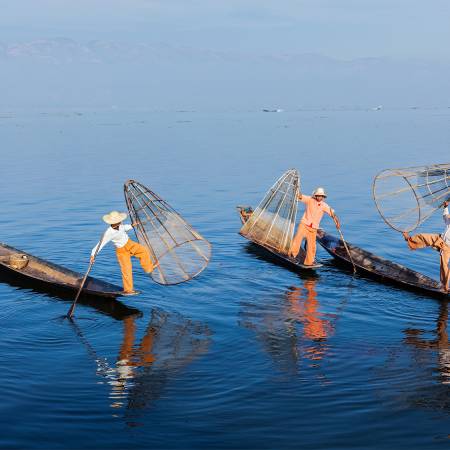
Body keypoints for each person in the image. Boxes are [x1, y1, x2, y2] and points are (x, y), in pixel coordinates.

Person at [91, 210, 156, 295]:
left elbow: (124, 228)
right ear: (113, 222)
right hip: (121, 251)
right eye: (118, 221)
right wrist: (93, 255)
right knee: (126, 269)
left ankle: (148, 268)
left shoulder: (120, 225)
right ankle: (128, 290)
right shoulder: (108, 233)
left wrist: (132, 225)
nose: (120, 222)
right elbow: (100, 244)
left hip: (129, 243)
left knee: (143, 251)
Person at [402, 200, 450, 292]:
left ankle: (446, 286)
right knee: (423, 237)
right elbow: (446, 218)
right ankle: (409, 239)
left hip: (446, 247)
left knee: (444, 266)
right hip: (440, 239)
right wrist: (445, 207)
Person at [289, 187, 340, 266]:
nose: (320, 197)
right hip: (304, 224)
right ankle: (292, 255)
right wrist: (296, 188)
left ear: (323, 197)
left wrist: (337, 222)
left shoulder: (324, 205)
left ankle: (309, 261)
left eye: (322, 196)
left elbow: (333, 214)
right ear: (315, 195)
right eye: (319, 196)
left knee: (312, 246)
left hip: (313, 228)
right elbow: (299, 196)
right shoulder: (309, 200)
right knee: (297, 239)